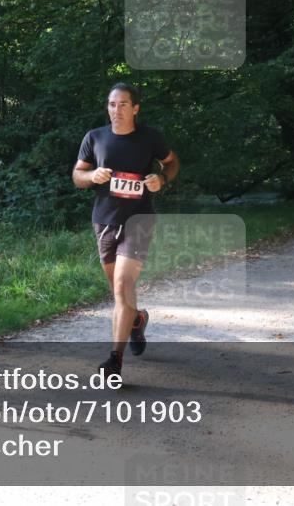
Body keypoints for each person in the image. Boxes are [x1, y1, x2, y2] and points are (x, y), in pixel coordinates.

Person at [72, 82, 179, 380]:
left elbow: (171, 162)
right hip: (104, 220)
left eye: (122, 104)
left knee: (121, 285)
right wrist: (91, 175)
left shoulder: (150, 138)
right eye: (111, 104)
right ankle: (136, 320)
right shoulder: (94, 137)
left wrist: (162, 178)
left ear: (135, 108)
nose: (115, 110)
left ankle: (114, 360)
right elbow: (76, 175)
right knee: (120, 292)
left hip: (139, 220)